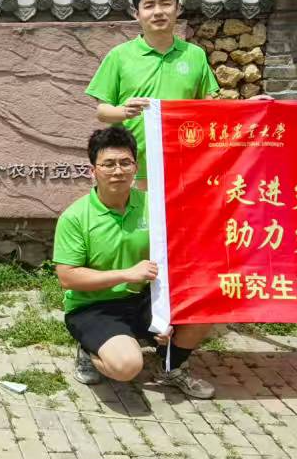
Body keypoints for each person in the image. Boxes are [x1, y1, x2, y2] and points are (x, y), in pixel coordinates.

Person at [55, 127, 218, 398]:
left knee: (205, 307)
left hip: (146, 298)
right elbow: (67, 277)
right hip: (94, 307)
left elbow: (179, 253)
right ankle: (89, 349)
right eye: (108, 164)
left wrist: (167, 313)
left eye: (125, 162)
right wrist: (126, 274)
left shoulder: (154, 206)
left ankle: (171, 367)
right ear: (93, 171)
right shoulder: (75, 217)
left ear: (136, 167)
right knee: (127, 367)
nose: (118, 171)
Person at [86, 0, 219, 179]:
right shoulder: (119, 56)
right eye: (149, 5)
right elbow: (102, 112)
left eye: (166, 4)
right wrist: (124, 111)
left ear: (178, 9)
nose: (158, 12)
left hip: (185, 165)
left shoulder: (195, 55)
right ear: (136, 13)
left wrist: (253, 107)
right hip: (133, 168)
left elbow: (212, 108)